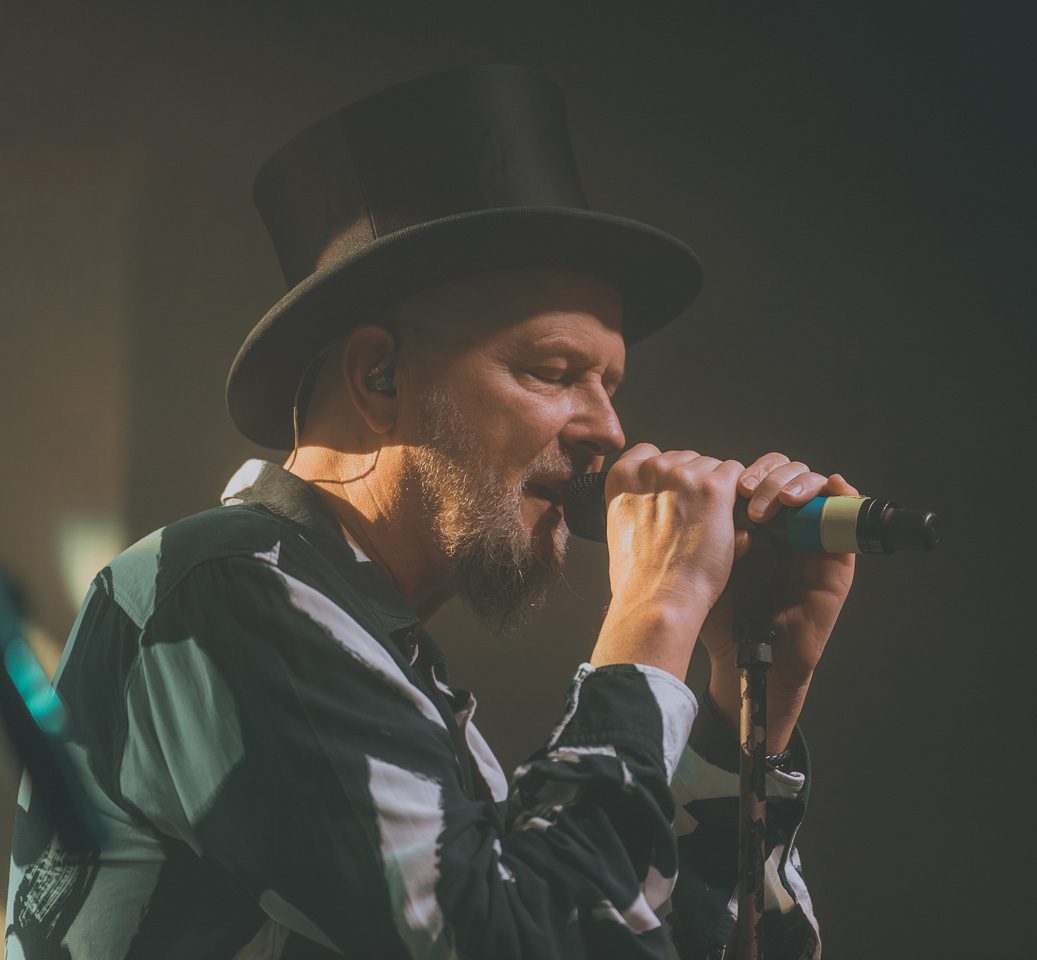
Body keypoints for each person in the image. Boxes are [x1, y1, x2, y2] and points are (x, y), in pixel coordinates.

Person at [6, 66, 856, 959]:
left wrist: (748, 705)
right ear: (379, 377)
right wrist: (658, 610)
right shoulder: (223, 589)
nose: (609, 431)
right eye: (555, 372)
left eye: (611, 385)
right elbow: (527, 942)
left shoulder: (385, 669)